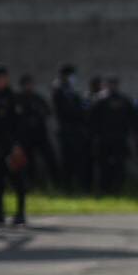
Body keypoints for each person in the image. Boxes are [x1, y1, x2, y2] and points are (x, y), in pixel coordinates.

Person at [0, 66, 28, 226]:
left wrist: (17, 145)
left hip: (10, 145)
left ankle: (20, 213)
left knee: (17, 180)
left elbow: (19, 124)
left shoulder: (13, 97)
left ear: (6, 78)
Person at [89, 76, 136, 195]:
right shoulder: (100, 100)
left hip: (118, 138)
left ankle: (116, 188)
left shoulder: (124, 100)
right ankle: (105, 189)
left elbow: (132, 118)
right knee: (104, 165)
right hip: (105, 138)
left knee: (118, 165)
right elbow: (92, 119)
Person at [52, 64, 90, 193]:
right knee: (68, 160)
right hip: (67, 129)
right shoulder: (59, 89)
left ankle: (79, 186)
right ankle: (67, 186)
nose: (73, 78)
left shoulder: (71, 89)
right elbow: (67, 110)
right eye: (71, 75)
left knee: (79, 159)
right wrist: (80, 110)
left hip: (75, 130)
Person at [16, 74, 58, 188]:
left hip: (40, 135)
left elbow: (48, 111)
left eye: (30, 84)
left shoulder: (37, 98)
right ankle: (31, 184)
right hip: (26, 136)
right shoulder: (19, 99)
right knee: (29, 162)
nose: (28, 87)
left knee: (50, 158)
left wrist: (39, 115)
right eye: (26, 84)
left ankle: (56, 182)